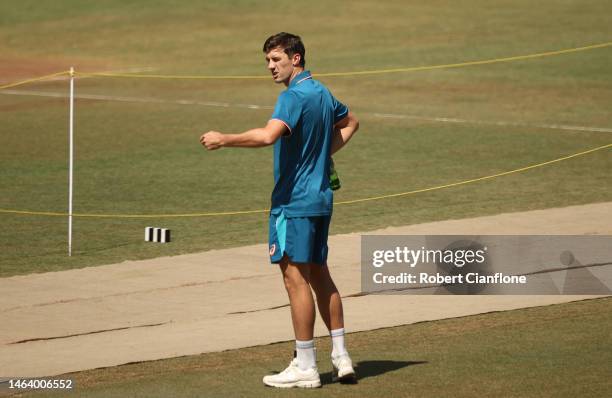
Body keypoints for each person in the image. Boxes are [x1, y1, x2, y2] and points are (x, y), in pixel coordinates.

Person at [200, 32, 359, 388]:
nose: (271, 67)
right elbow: (351, 123)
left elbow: (268, 135)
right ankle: (341, 356)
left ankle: (305, 364)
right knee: (320, 275)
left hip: (294, 203)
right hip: (320, 201)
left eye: (276, 60)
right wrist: (323, 155)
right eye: (268, 61)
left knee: (294, 279)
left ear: (296, 58)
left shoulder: (292, 97)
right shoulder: (321, 92)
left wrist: (225, 139)